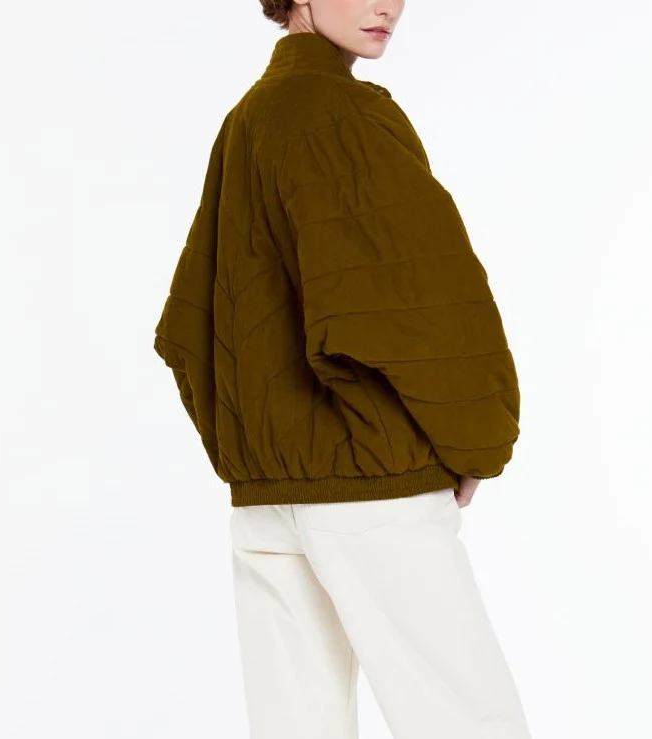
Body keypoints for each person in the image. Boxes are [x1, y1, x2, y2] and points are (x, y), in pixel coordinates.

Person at [153, 1, 530, 736]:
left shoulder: (248, 120)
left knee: (297, 724)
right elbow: (419, 301)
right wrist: (477, 440)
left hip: (267, 502)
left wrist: (251, 451)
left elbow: (188, 326)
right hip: (370, 488)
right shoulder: (342, 114)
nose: (387, 5)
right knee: (466, 720)